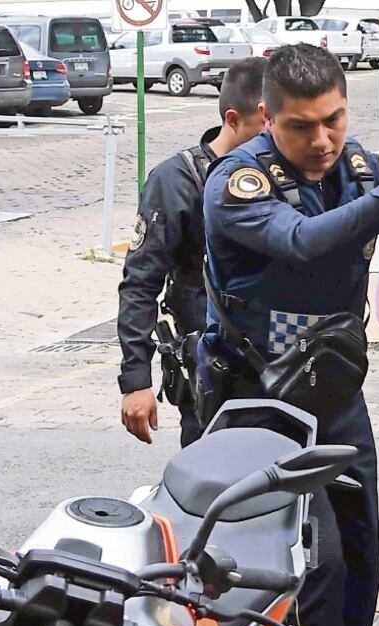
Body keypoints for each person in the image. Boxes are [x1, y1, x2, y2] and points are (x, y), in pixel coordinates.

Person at [202, 44, 379, 626]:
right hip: (254, 398)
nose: (323, 139)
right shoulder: (236, 181)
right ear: (266, 117)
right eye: (301, 125)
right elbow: (302, 240)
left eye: (333, 119)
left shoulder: (358, 169)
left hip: (334, 393)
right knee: (305, 562)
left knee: (361, 553)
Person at [117, 57, 268, 448]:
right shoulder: (178, 181)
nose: (274, 137)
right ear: (233, 119)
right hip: (211, 371)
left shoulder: (281, 173)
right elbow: (140, 282)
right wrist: (136, 381)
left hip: (279, 369)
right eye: (264, 126)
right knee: (211, 488)